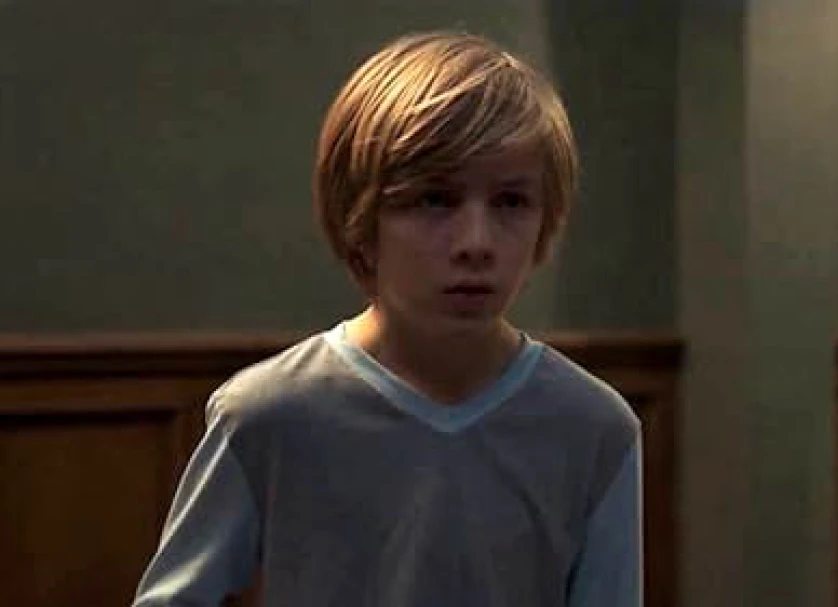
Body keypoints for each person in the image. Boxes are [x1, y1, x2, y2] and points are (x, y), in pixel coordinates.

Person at [132, 30, 642, 607]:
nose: (476, 243)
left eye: (510, 202)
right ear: (361, 218)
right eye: (435, 200)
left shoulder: (594, 428)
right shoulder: (269, 414)